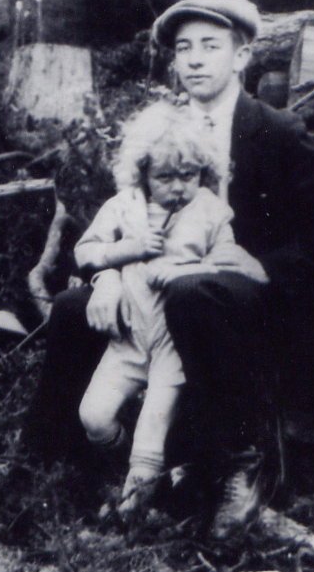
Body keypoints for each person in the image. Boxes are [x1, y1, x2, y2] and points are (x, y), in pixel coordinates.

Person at [26, 0, 314, 537]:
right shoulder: (161, 128)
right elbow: (118, 220)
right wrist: (107, 275)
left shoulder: (276, 131)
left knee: (193, 294)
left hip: (253, 304)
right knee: (72, 307)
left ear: (242, 57)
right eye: (184, 49)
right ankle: (56, 465)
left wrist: (264, 265)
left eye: (211, 46)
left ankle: (240, 463)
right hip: (154, 295)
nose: (195, 60)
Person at [74, 103, 233, 515]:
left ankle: (135, 511)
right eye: (165, 177)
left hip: (171, 344)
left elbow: (230, 266)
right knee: (93, 416)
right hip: (125, 340)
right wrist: (124, 253)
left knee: (152, 432)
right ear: (142, 172)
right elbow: (86, 252)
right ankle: (117, 464)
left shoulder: (211, 211)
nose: (179, 187)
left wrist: (191, 268)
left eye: (190, 175)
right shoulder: (122, 206)